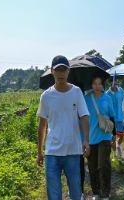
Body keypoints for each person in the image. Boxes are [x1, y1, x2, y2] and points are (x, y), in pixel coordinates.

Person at [36, 55, 90, 200]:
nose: (61, 73)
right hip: (52, 152)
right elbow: (42, 124)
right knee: (54, 195)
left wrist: (86, 140)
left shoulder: (77, 92)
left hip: (73, 150)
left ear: (68, 71)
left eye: (64, 70)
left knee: (76, 193)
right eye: (58, 70)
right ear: (52, 71)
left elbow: (84, 117)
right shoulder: (46, 96)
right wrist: (40, 151)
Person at [84, 72, 116, 200]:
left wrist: (113, 134)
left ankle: (105, 193)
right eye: (95, 84)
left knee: (104, 165)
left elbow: (112, 117)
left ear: (103, 85)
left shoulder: (107, 98)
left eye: (100, 84)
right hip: (91, 137)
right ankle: (96, 192)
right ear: (91, 85)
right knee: (92, 167)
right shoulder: (86, 99)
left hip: (105, 136)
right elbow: (82, 117)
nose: (97, 86)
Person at [106, 76, 124, 161]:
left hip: (121, 117)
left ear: (117, 81)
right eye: (111, 81)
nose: (113, 82)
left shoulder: (121, 90)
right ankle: (114, 154)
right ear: (109, 83)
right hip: (112, 118)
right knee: (113, 137)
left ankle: (118, 146)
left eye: (114, 80)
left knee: (121, 137)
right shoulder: (107, 94)